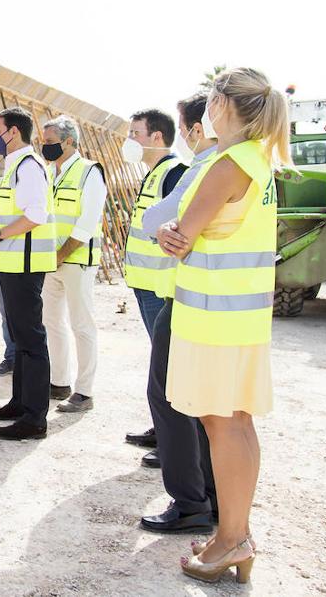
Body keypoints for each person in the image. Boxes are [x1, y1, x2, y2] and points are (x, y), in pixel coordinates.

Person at [156, 68, 289, 583]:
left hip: (213, 320)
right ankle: (236, 534)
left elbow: (180, 236)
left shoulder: (227, 163)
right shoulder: (257, 160)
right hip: (240, 319)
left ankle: (232, 539)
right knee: (238, 422)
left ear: (222, 104)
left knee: (221, 424)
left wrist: (173, 229)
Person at [135, 93, 221, 534]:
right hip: (219, 302)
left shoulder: (207, 167)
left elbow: (161, 218)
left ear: (194, 128)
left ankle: (191, 503)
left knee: (170, 397)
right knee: (207, 406)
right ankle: (212, 498)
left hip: (188, 298)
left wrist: (165, 225)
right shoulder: (245, 163)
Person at [0, 107, 57, 440]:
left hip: (25, 265)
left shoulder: (28, 167)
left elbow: (36, 215)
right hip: (12, 264)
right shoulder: (14, 167)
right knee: (21, 337)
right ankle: (20, 402)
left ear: (13, 132)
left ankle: (35, 418)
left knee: (31, 339)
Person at [120, 108, 187, 464]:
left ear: (156, 137)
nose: (130, 141)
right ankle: (162, 429)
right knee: (160, 364)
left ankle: (173, 443)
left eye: (135, 133)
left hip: (162, 287)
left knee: (170, 367)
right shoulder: (155, 173)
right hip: (147, 284)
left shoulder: (174, 172)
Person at [39, 115, 107, 412]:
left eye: (50, 142)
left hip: (76, 260)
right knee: (52, 321)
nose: (45, 147)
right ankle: (59, 381)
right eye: (43, 142)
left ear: (69, 142)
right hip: (51, 261)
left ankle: (84, 391)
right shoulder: (51, 173)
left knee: (82, 324)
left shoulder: (89, 172)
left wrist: (61, 254)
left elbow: (87, 221)